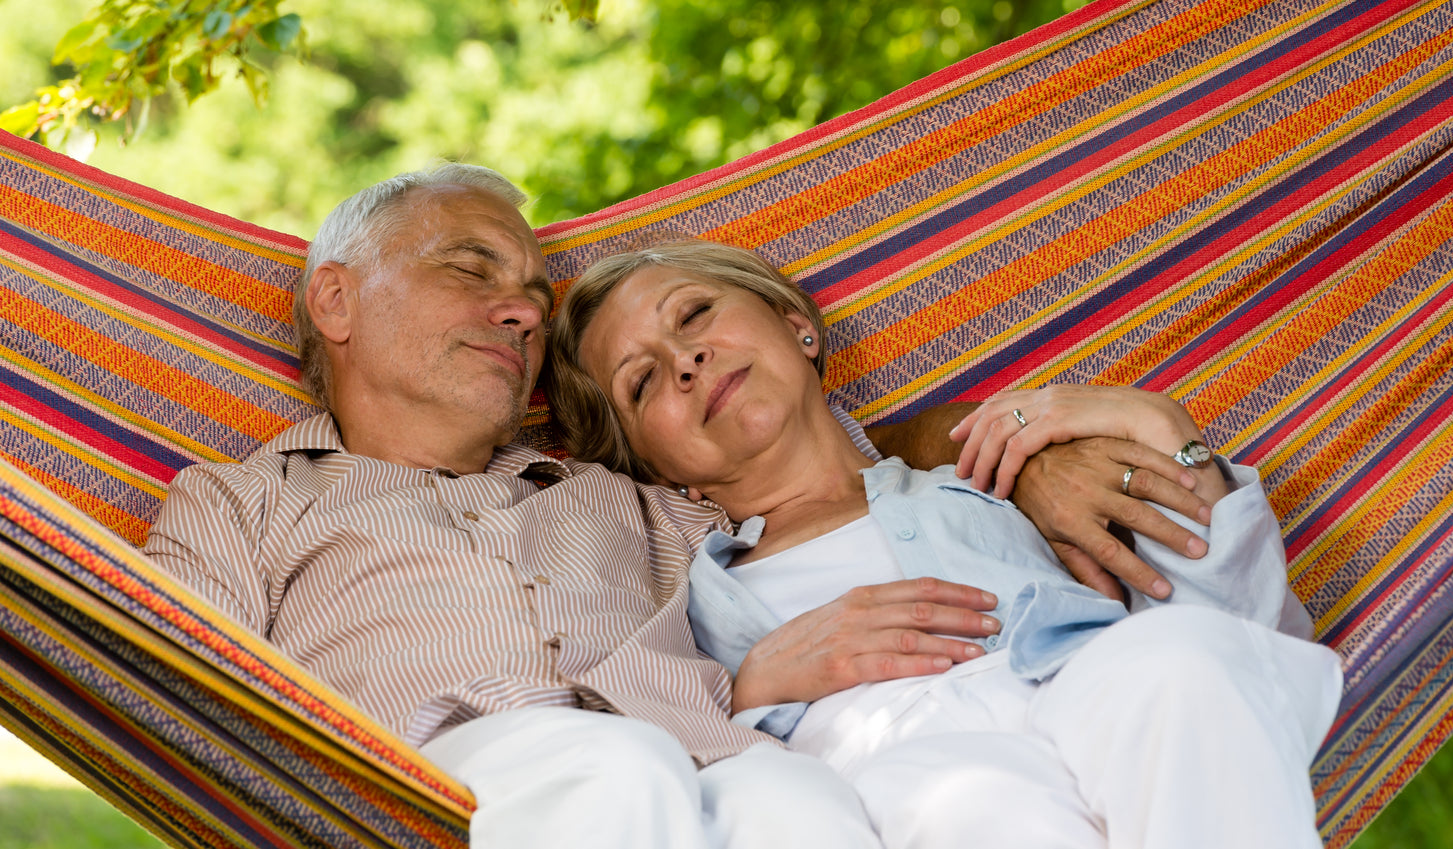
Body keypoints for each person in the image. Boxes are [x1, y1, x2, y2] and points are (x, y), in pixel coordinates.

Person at [140, 164, 1214, 849]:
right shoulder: (242, 502)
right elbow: (176, 699)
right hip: (421, 783)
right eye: (472, 269)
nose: (517, 308)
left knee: (802, 809)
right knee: (612, 769)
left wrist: (1016, 453)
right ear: (334, 296)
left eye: (529, 295)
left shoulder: (634, 497)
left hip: (711, 758)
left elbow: (812, 463)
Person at [547, 238, 1345, 849]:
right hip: (898, 760)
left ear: (799, 327)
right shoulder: (684, 585)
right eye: (641, 382)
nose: (683, 360)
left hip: (1079, 683)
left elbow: (1241, 627)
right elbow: (650, 743)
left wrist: (1157, 424)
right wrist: (753, 687)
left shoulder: (993, 480)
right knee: (981, 806)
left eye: (694, 315)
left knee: (1187, 662)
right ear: (654, 466)